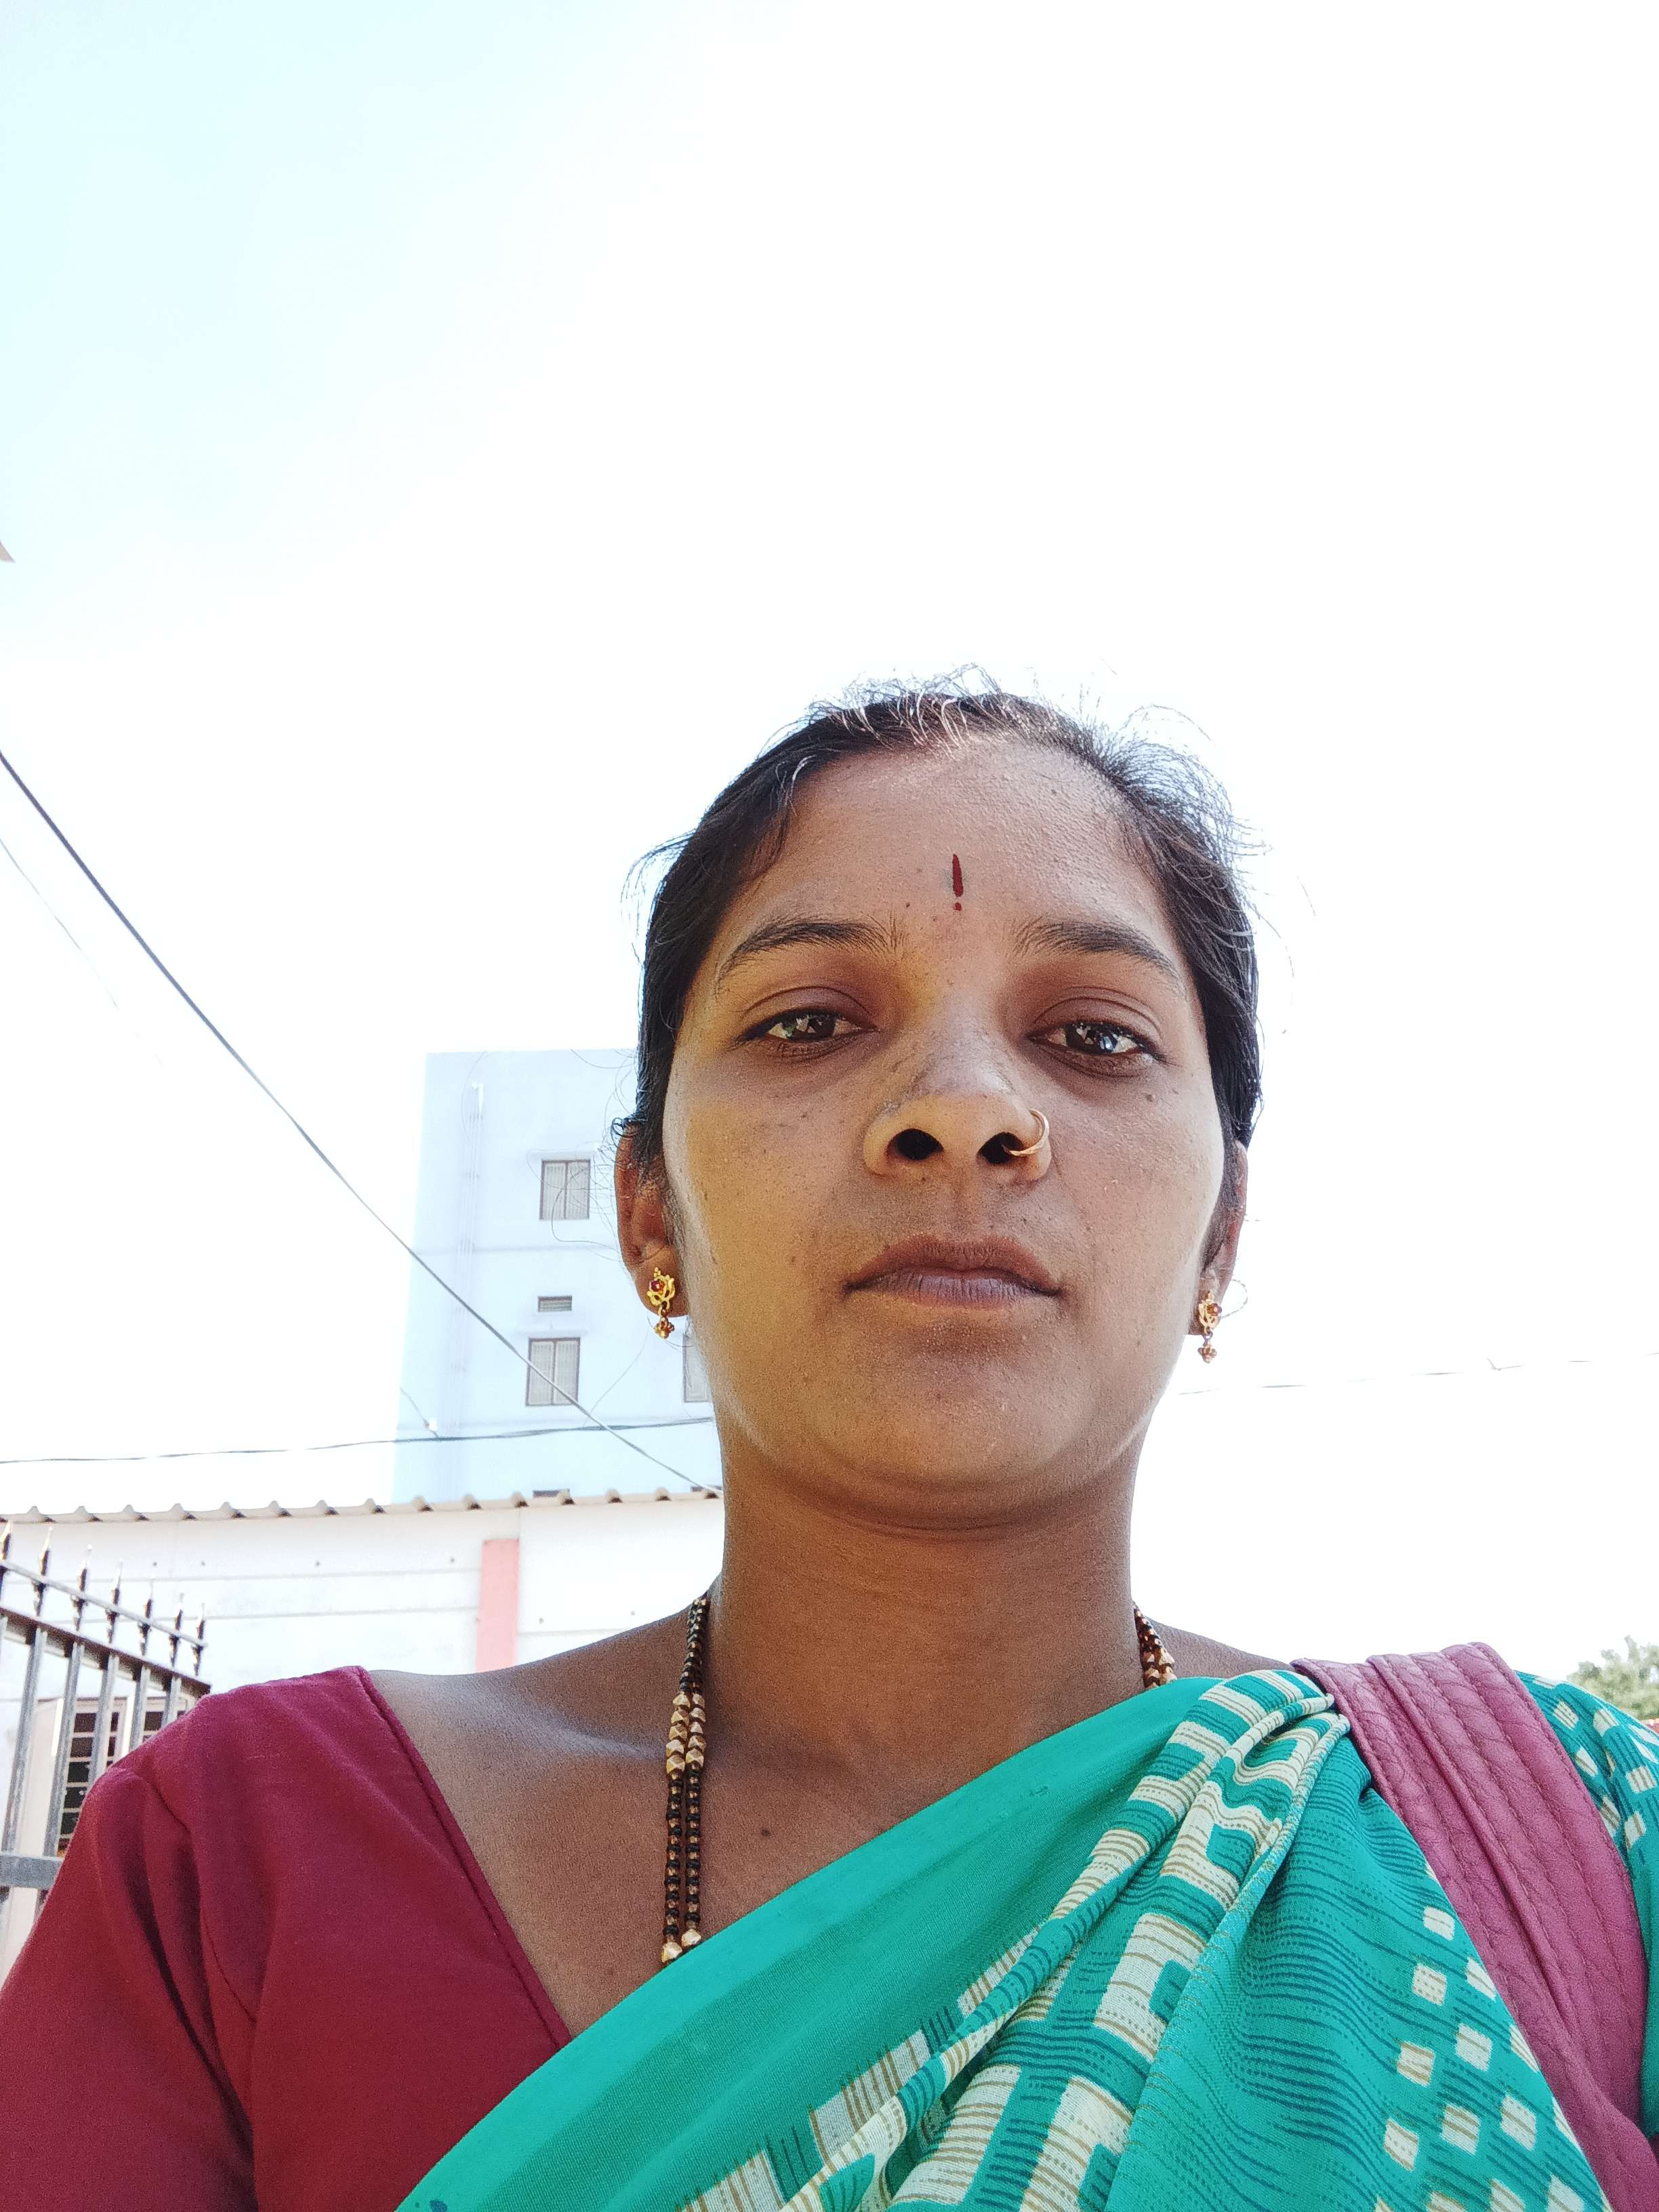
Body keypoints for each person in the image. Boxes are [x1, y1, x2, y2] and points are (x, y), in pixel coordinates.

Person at [1, 681, 1653, 2212]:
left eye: (1093, 1035)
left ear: (1224, 1233)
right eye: (808, 1021)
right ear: (650, 1211)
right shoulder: (248, 1867)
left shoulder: (1536, 1864)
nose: (963, 1107)